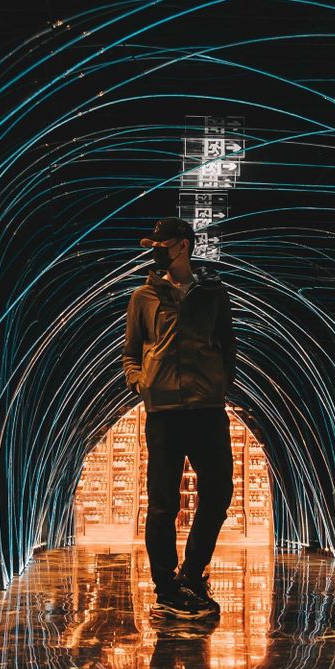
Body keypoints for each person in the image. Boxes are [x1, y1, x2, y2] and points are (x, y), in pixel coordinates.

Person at [122, 217, 236, 619]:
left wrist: (219, 384)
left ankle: (191, 573)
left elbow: (228, 345)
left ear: (184, 246)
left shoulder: (213, 294)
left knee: (219, 492)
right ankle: (166, 586)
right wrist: (142, 384)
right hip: (164, 412)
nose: (155, 251)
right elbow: (131, 353)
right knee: (162, 503)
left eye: (163, 244)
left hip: (207, 409)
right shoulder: (143, 297)